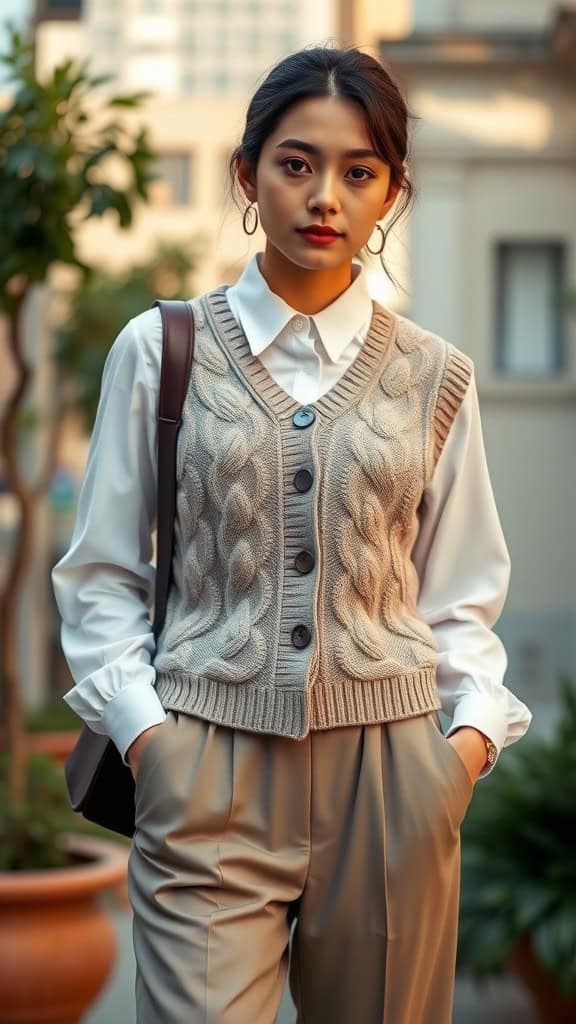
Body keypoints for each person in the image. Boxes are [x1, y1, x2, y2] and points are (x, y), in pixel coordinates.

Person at [51, 44, 533, 1024]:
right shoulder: (162, 349)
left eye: (359, 171)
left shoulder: (439, 376)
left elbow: (461, 595)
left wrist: (464, 749)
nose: (325, 196)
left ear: (392, 191)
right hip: (205, 771)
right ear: (247, 174)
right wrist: (152, 742)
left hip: (394, 780)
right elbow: (100, 573)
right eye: (296, 162)